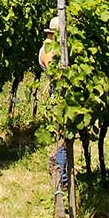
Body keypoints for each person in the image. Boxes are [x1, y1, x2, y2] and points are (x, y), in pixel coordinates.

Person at [39, 16, 72, 208]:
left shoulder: (46, 47)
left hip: (56, 95)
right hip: (60, 96)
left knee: (63, 136)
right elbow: (57, 73)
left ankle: (61, 169)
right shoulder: (50, 51)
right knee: (63, 136)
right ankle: (62, 175)